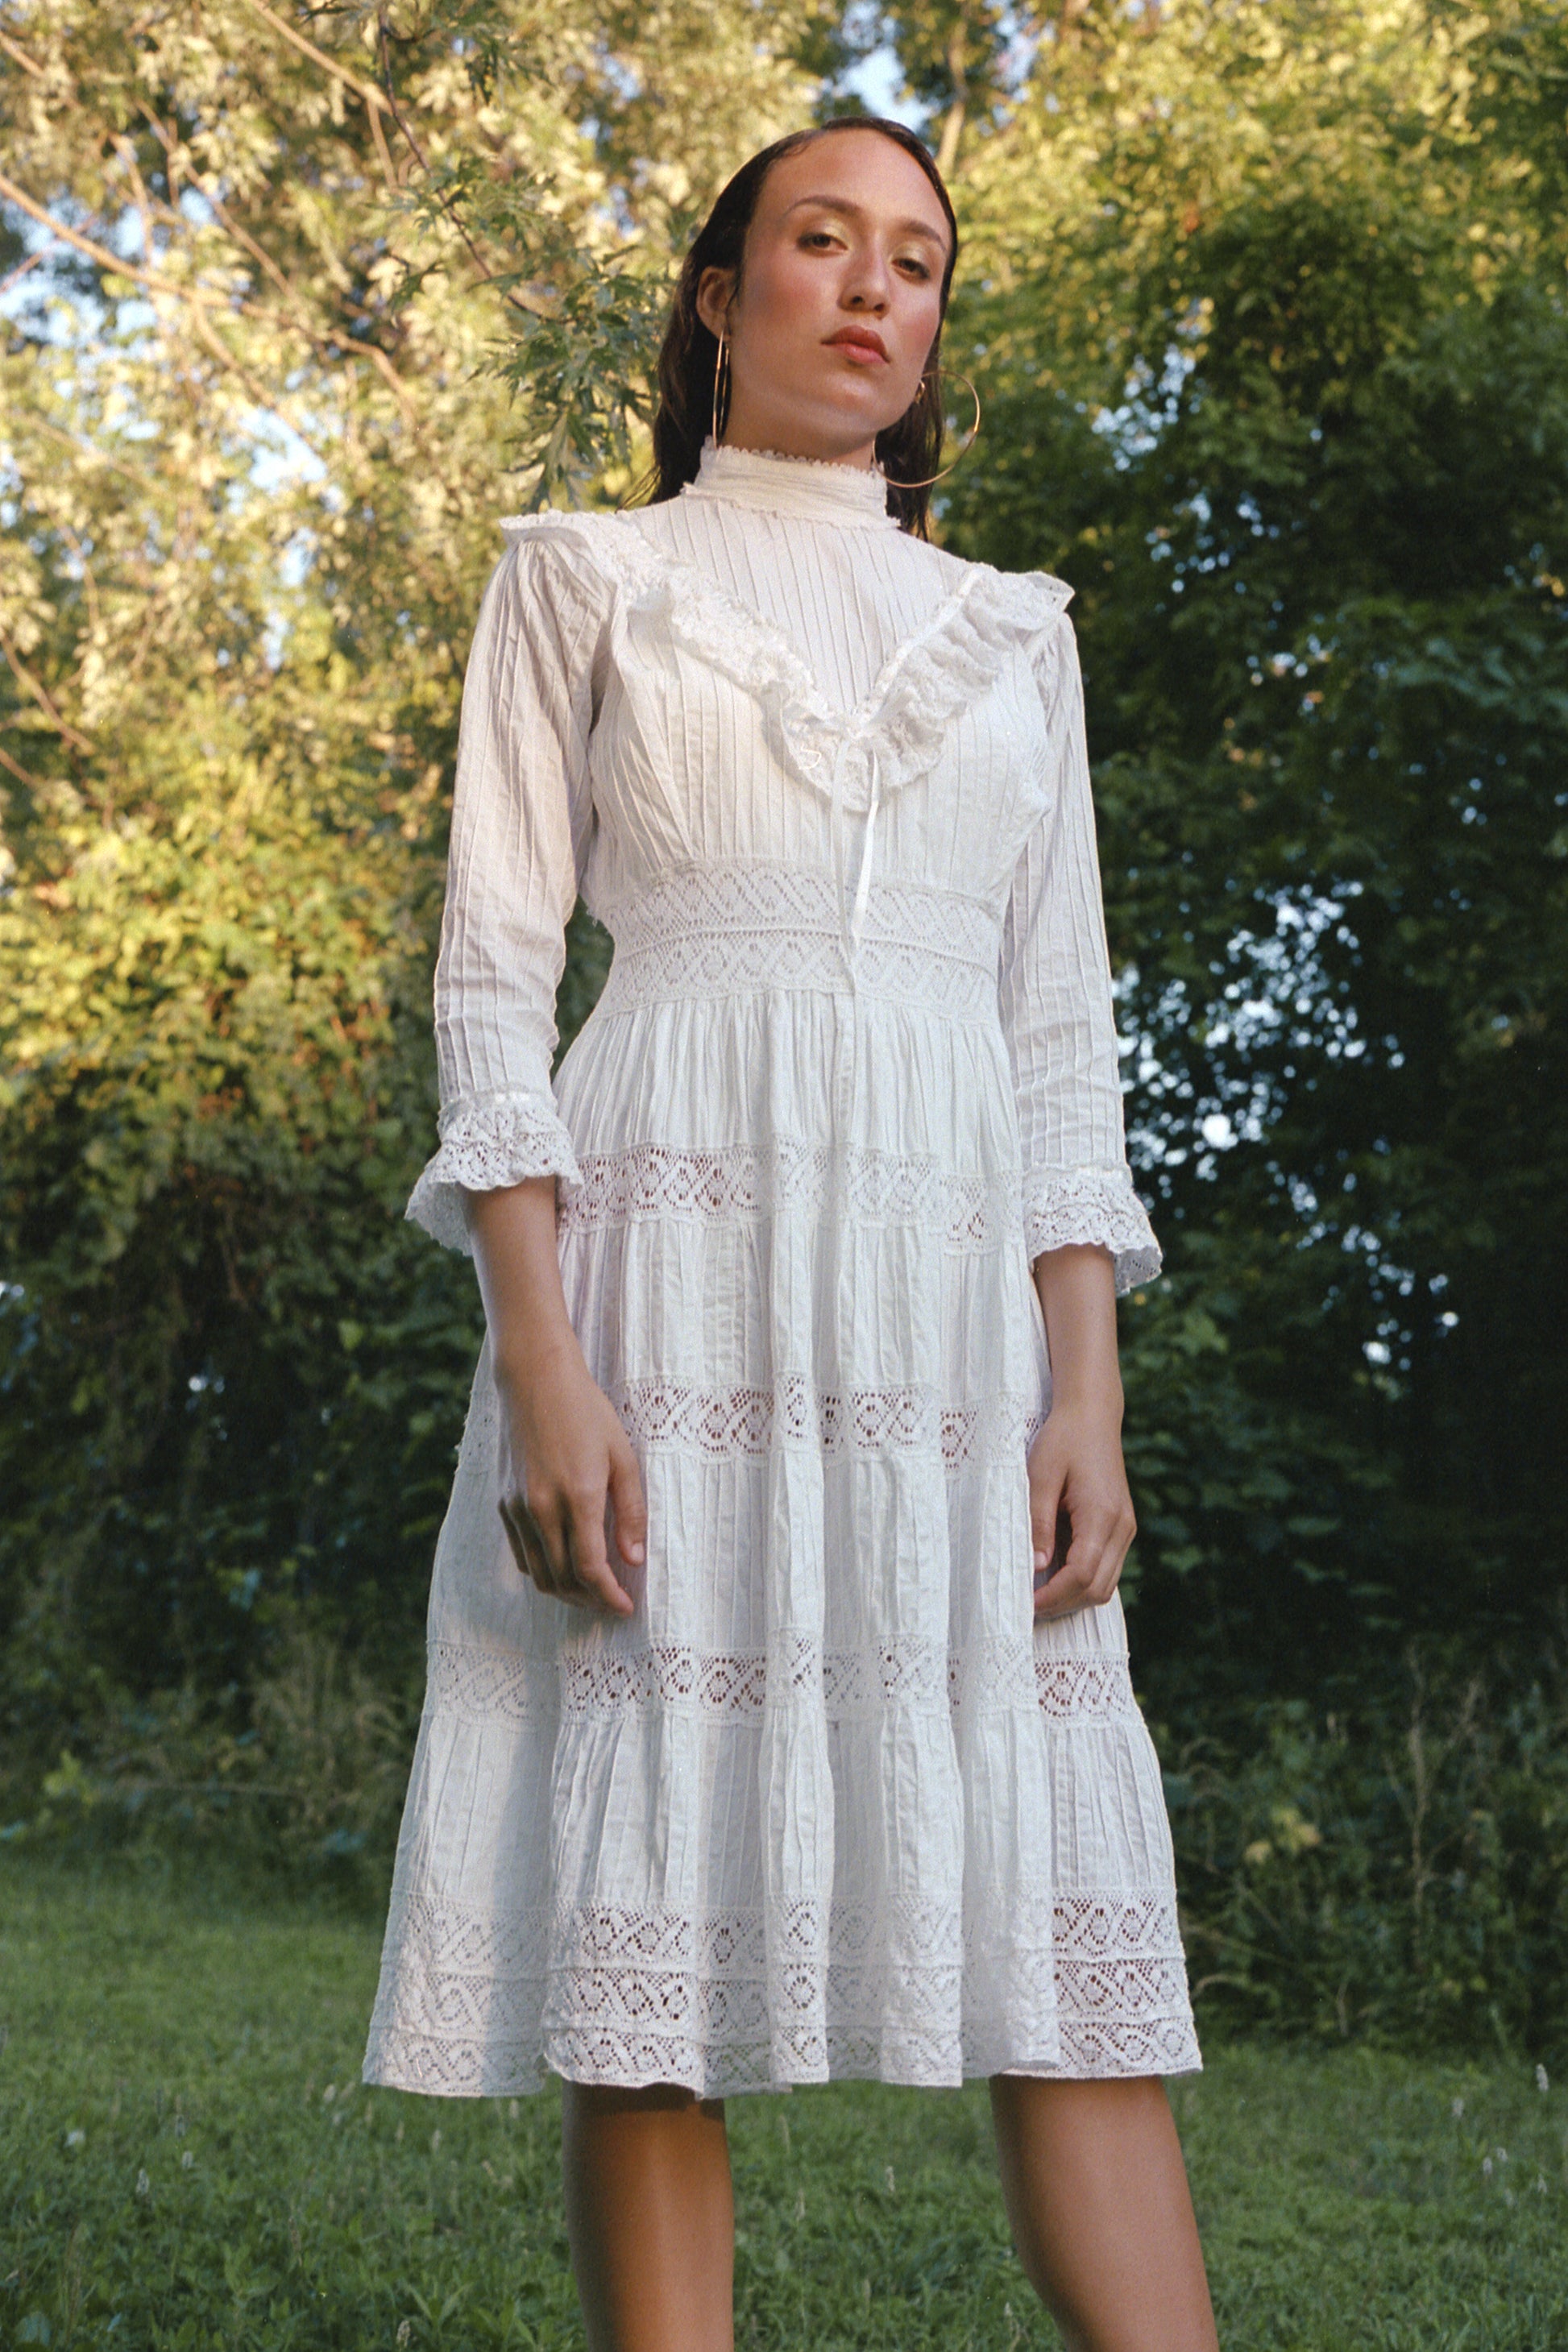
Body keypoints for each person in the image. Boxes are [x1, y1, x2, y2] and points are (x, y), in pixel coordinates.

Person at [362, 113, 1219, 2352]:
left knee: (1055, 1889)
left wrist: (1085, 1389)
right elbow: (489, 977)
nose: (869, 287)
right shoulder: (582, 573)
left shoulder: (1008, 634)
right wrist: (543, 1356)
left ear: (934, 326)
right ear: (721, 295)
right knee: (648, 1882)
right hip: (669, 1270)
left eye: (914, 260)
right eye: (818, 242)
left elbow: (1058, 1036)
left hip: (951, 1312)